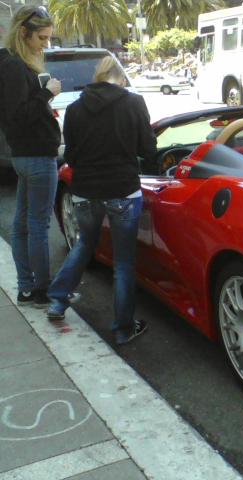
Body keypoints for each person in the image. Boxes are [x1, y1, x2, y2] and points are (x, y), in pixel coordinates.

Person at [47, 56, 157, 345]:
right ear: (120, 79)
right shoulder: (133, 103)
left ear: (97, 77)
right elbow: (148, 148)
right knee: (123, 263)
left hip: (85, 192)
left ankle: (58, 301)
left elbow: (70, 155)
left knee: (84, 244)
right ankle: (123, 328)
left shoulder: (74, 108)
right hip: (123, 191)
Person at [0, 6, 61, 307]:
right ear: (24, 33)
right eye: (42, 37)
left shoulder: (13, 64)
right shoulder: (13, 66)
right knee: (37, 225)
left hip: (28, 155)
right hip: (36, 155)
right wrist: (47, 94)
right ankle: (41, 290)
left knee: (24, 223)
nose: (45, 45)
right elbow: (18, 115)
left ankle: (28, 288)